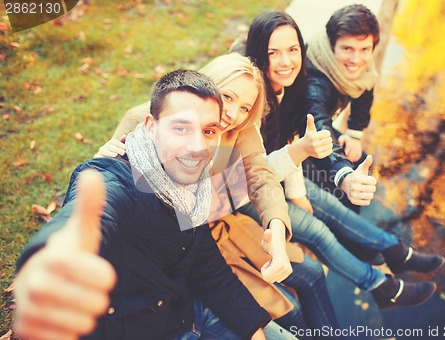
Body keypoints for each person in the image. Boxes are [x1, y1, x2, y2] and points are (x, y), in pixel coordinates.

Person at [13, 70, 289, 339]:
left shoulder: (195, 187)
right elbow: (90, 216)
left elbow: (207, 267)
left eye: (208, 131)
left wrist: (253, 329)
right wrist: (53, 258)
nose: (197, 146)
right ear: (150, 126)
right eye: (181, 128)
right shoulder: (117, 179)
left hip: (183, 312)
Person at [95, 53, 342, 337]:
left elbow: (260, 177)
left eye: (244, 107)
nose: (232, 113)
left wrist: (275, 226)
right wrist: (103, 159)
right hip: (179, 246)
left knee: (310, 272)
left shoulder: (241, 128)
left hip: (216, 227)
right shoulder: (146, 120)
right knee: (290, 311)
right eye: (227, 96)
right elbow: (107, 178)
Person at [237, 10, 444, 309]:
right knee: (322, 228)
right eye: (274, 52)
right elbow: (303, 137)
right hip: (249, 189)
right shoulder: (269, 95)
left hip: (277, 172)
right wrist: (336, 176)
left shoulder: (291, 84)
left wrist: (354, 134)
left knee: (334, 207)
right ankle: (383, 284)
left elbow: (290, 138)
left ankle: (394, 252)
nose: (286, 61)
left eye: (293, 50)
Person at [301, 4, 381, 215]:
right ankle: (347, 231)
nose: (356, 60)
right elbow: (318, 124)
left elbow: (364, 89)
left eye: (364, 49)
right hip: (295, 139)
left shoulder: (362, 69)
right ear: (331, 45)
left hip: (316, 132)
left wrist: (354, 134)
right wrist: (343, 174)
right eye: (347, 49)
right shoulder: (315, 80)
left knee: (361, 158)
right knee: (342, 187)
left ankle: (354, 218)